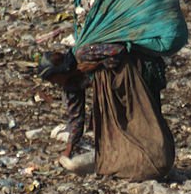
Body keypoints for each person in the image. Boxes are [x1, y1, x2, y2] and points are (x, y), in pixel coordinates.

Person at [38, 42, 174, 181]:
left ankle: (156, 157)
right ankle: (137, 163)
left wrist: (96, 65)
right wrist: (68, 150)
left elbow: (119, 51)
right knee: (120, 129)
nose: (54, 84)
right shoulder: (70, 85)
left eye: (53, 79)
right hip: (116, 93)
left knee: (144, 121)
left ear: (60, 70)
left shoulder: (83, 54)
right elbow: (76, 118)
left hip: (135, 76)